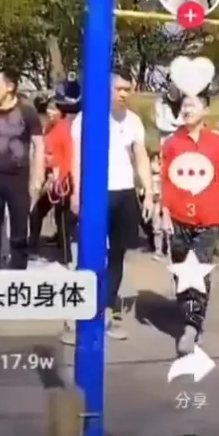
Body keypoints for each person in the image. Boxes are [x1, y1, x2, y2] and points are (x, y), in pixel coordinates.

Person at [64, 65, 154, 344]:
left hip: (124, 193)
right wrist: (77, 193)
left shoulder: (133, 121)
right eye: (119, 89)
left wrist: (149, 192)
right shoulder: (86, 119)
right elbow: (77, 159)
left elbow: (141, 157)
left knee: (117, 255)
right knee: (88, 254)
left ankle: (110, 310)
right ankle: (77, 316)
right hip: (95, 194)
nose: (124, 94)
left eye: (128, 89)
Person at [161, 92, 219, 356]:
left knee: (198, 269)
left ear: (206, 109)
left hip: (210, 218)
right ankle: (188, 311)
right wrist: (163, 211)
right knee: (181, 271)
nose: (187, 109)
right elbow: (165, 180)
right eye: (185, 105)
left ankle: (191, 327)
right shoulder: (172, 143)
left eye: (193, 105)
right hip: (179, 217)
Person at [0, 69, 45, 270]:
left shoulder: (27, 112)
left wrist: (37, 178)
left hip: (19, 178)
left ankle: (18, 275)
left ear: (10, 87)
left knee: (19, 233)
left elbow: (38, 145)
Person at [29, 96, 74, 264]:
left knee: (61, 218)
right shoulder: (48, 128)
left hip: (62, 179)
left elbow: (68, 157)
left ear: (61, 112)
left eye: (54, 109)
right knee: (37, 212)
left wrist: (61, 178)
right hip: (49, 178)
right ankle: (33, 247)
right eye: (49, 108)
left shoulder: (65, 129)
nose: (50, 112)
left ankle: (66, 257)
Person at [149, 150, 172, 261]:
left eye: (158, 161)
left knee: (167, 229)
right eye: (153, 161)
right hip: (156, 204)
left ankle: (170, 251)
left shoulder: (168, 175)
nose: (155, 164)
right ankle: (158, 250)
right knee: (157, 228)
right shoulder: (150, 177)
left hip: (166, 204)